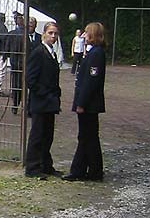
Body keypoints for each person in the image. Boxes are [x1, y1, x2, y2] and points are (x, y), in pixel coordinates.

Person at [63, 22, 106, 182]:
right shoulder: (94, 53)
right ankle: (83, 169)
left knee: (88, 136)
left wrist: (81, 103)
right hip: (89, 103)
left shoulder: (96, 54)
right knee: (87, 136)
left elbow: (90, 81)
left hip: (89, 104)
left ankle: (90, 170)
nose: (83, 36)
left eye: (87, 33)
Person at [24, 21, 61, 179]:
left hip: (50, 101)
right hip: (41, 101)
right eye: (50, 33)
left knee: (48, 134)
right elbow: (30, 79)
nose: (53, 36)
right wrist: (44, 93)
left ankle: (46, 164)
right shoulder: (39, 52)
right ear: (44, 34)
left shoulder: (51, 52)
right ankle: (32, 167)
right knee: (37, 134)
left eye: (55, 34)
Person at [7, 13, 41, 114]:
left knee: (32, 87)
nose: (30, 26)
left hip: (33, 66)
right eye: (29, 25)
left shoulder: (39, 37)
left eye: (32, 25)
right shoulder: (19, 36)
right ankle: (16, 103)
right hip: (20, 65)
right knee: (18, 86)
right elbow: (14, 52)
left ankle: (29, 107)